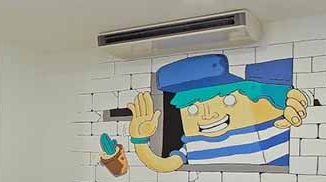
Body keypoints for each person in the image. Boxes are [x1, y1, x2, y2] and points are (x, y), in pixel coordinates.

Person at [128, 54, 308, 173]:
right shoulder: (192, 146)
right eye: (192, 109)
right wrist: (139, 140)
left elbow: (289, 109)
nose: (208, 115)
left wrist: (293, 103)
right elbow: (162, 165)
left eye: (227, 100)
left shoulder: (268, 128)